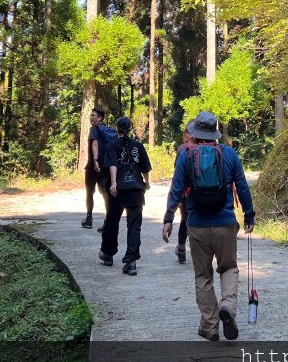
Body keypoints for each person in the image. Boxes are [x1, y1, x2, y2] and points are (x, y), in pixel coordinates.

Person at [162, 111, 254, 342]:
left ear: (194, 133)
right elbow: (242, 186)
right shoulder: (229, 154)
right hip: (225, 223)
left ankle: (210, 326)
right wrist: (249, 215)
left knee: (203, 276)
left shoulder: (185, 155)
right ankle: (228, 306)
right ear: (215, 131)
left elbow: (176, 188)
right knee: (229, 268)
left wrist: (168, 218)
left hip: (197, 225)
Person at [99, 116, 152, 275]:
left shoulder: (112, 145)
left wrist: (114, 183)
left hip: (119, 190)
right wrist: (146, 182)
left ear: (117, 128)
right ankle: (131, 261)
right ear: (130, 128)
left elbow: (113, 165)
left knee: (112, 221)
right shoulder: (138, 145)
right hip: (136, 188)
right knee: (134, 225)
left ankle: (108, 254)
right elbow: (145, 168)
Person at [168, 122, 195, 264]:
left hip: (185, 193)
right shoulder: (207, 147)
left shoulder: (182, 149)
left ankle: (181, 248)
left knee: (184, 220)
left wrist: (176, 197)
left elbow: (178, 173)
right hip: (201, 192)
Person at [82, 108, 111, 230]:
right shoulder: (107, 130)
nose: (91, 117)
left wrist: (95, 161)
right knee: (105, 193)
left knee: (90, 192)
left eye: (93, 115)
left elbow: (94, 143)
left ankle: (89, 219)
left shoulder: (94, 128)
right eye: (90, 115)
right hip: (106, 166)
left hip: (94, 166)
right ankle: (108, 221)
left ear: (99, 118)